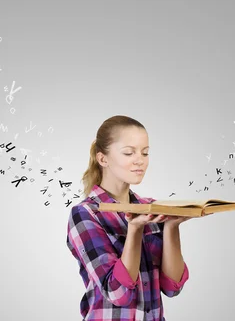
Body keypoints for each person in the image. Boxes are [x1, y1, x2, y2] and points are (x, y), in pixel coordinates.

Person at [66, 115, 194, 321]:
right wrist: (134, 229)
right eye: (128, 152)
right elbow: (117, 293)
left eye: (145, 153)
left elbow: (171, 287)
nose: (140, 160)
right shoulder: (86, 214)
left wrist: (171, 226)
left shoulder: (150, 208)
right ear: (102, 159)